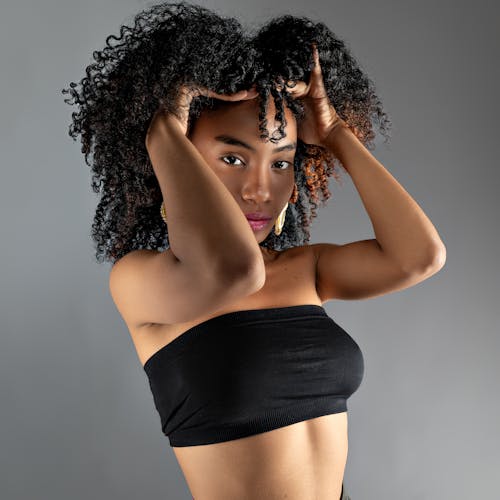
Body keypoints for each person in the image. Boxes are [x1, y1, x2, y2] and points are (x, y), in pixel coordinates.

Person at [62, 2, 446, 498]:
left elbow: (420, 256)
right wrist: (160, 127)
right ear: (175, 156)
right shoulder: (138, 280)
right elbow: (234, 270)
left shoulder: (307, 268)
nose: (260, 189)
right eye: (231, 157)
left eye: (281, 164)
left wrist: (334, 134)